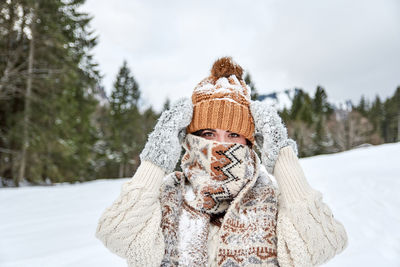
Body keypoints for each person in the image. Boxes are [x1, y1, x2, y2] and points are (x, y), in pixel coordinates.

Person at [95, 57, 348, 267]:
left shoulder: (270, 199)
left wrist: (282, 156)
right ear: (190, 138)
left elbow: (321, 244)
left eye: (233, 135)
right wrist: (156, 159)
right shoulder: (169, 197)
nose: (220, 144)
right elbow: (118, 235)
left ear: (249, 142)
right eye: (208, 134)